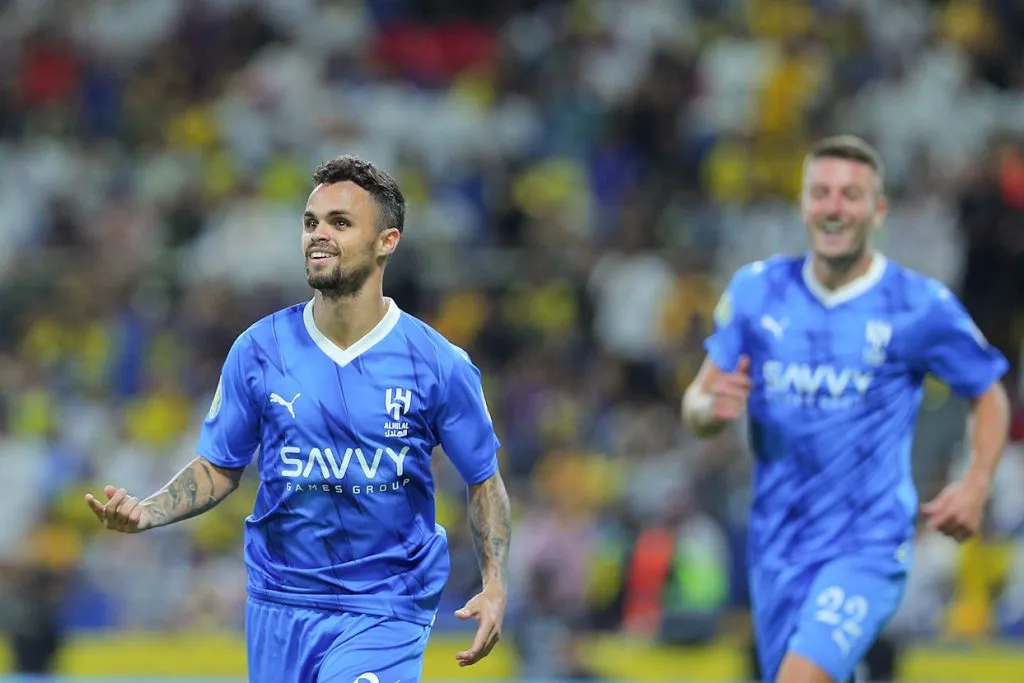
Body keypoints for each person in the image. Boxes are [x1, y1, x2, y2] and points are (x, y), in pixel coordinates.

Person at [85, 155, 512, 683]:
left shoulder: (437, 363)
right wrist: (148, 513)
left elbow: (482, 480)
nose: (319, 236)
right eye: (311, 222)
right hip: (280, 603)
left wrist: (494, 584)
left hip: (384, 606)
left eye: (340, 223)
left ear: (387, 241)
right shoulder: (259, 350)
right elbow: (221, 467)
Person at [682, 135, 1010, 683]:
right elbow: (696, 401)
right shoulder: (757, 290)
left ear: (877, 210)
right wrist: (710, 412)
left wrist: (976, 483)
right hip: (777, 544)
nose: (834, 207)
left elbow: (988, 391)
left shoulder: (917, 304)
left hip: (867, 543)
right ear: (803, 204)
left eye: (851, 195)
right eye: (822, 193)